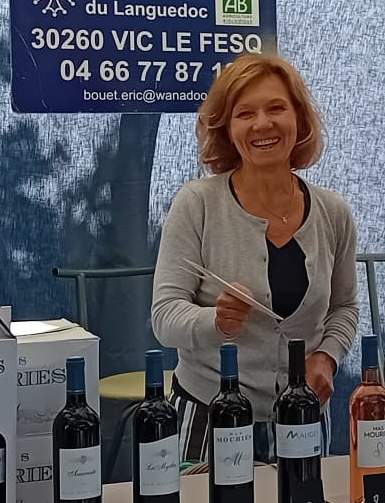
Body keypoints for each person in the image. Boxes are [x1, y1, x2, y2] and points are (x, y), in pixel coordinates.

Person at [152, 54, 360, 430]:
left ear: (298, 118)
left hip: (305, 417)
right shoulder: (196, 204)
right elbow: (165, 318)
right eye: (245, 114)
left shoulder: (334, 213)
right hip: (207, 416)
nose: (262, 124)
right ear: (227, 128)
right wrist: (213, 321)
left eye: (276, 108)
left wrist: (327, 358)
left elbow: (344, 308)